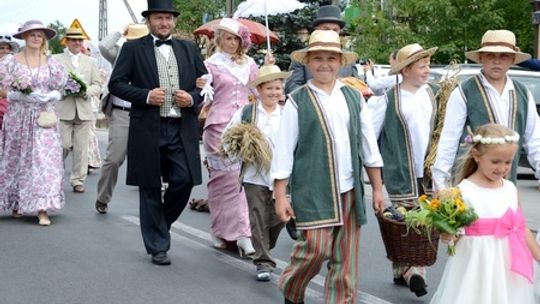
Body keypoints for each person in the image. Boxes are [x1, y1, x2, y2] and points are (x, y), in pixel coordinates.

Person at [272, 30, 384, 304]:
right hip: (313, 189)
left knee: (345, 259)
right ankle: (292, 287)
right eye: (318, 58)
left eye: (331, 58)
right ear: (309, 62)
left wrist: (378, 189)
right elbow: (284, 151)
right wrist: (281, 194)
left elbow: (369, 146)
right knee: (315, 248)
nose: (325, 64)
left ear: (340, 61)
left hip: (349, 189)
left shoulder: (354, 97)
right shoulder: (298, 100)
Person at [108, 0, 207, 265]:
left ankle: (159, 224)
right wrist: (146, 95)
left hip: (180, 126)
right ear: (149, 21)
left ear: (174, 21)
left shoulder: (188, 48)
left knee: (185, 179)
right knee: (150, 186)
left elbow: (205, 84)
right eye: (159, 18)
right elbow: (116, 84)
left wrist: (193, 98)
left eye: (168, 18)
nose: (164, 23)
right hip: (148, 127)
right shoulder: (132, 49)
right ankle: (158, 246)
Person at [430, 123, 540, 304]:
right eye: (495, 162)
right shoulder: (463, 192)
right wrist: (448, 233)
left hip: (506, 266)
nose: (502, 168)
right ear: (476, 156)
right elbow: (451, 235)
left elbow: (521, 228)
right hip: (475, 264)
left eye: (508, 162)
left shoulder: (510, 189)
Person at [369, 43, 438, 297]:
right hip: (400, 172)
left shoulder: (432, 94)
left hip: (427, 172)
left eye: (427, 65)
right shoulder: (388, 100)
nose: (427, 70)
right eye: (422, 66)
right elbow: (370, 137)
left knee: (424, 224)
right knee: (407, 223)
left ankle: (405, 271)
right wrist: (376, 178)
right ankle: (413, 272)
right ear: (406, 70)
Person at [432, 30, 540, 190]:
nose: (497, 61)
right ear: (481, 58)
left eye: (504, 56)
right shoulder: (464, 91)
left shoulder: (523, 93)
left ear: (513, 59)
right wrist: (440, 184)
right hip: (471, 183)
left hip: (507, 184)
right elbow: (449, 138)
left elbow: (535, 138)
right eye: (490, 55)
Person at [223, 64, 290, 281]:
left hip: (282, 175)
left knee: (279, 217)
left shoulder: (288, 113)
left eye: (278, 88)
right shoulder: (246, 113)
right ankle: (263, 261)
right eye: (269, 88)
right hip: (255, 175)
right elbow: (228, 138)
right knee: (257, 215)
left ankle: (264, 244)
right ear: (259, 90)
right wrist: (242, 148)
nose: (274, 93)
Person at [0, 20, 67, 225]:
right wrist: (16, 96)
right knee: (18, 159)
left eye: (40, 35)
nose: (36, 38)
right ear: (24, 37)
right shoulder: (10, 62)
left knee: (44, 161)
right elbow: (1, 88)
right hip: (18, 117)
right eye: (32, 34)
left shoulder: (52, 62)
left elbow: (62, 87)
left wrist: (54, 95)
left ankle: (42, 208)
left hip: (43, 118)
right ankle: (18, 202)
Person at [202, 17, 258, 255]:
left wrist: (267, 71)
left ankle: (243, 235)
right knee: (222, 180)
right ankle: (219, 229)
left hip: (244, 128)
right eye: (227, 38)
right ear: (219, 39)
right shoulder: (210, 64)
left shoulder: (250, 63)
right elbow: (204, 97)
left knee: (242, 179)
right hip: (219, 127)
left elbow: (258, 91)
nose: (232, 42)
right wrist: (201, 85)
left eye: (236, 38)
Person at [94, 23, 149, 214]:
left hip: (147, 112)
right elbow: (103, 46)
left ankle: (157, 197)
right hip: (122, 112)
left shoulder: (155, 57)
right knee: (115, 158)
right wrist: (121, 30)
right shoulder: (119, 54)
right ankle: (102, 198)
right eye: (134, 39)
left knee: (154, 154)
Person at [54, 27, 102, 193]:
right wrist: (64, 90)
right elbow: (50, 83)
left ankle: (77, 180)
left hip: (84, 110)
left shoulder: (91, 62)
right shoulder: (56, 59)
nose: (77, 43)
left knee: (81, 148)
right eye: (73, 40)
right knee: (63, 145)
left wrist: (86, 92)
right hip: (63, 109)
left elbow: (98, 84)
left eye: (79, 40)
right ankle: (54, 175)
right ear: (66, 41)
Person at [284, 4, 359, 94]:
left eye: (335, 30)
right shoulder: (301, 57)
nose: (331, 33)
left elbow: (357, 86)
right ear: (316, 30)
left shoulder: (349, 58)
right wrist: (318, 94)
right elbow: (291, 88)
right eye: (326, 29)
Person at [0, 33, 19, 129]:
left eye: (7, 48)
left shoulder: (15, 64)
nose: (5, 51)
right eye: (2, 48)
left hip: (9, 100)